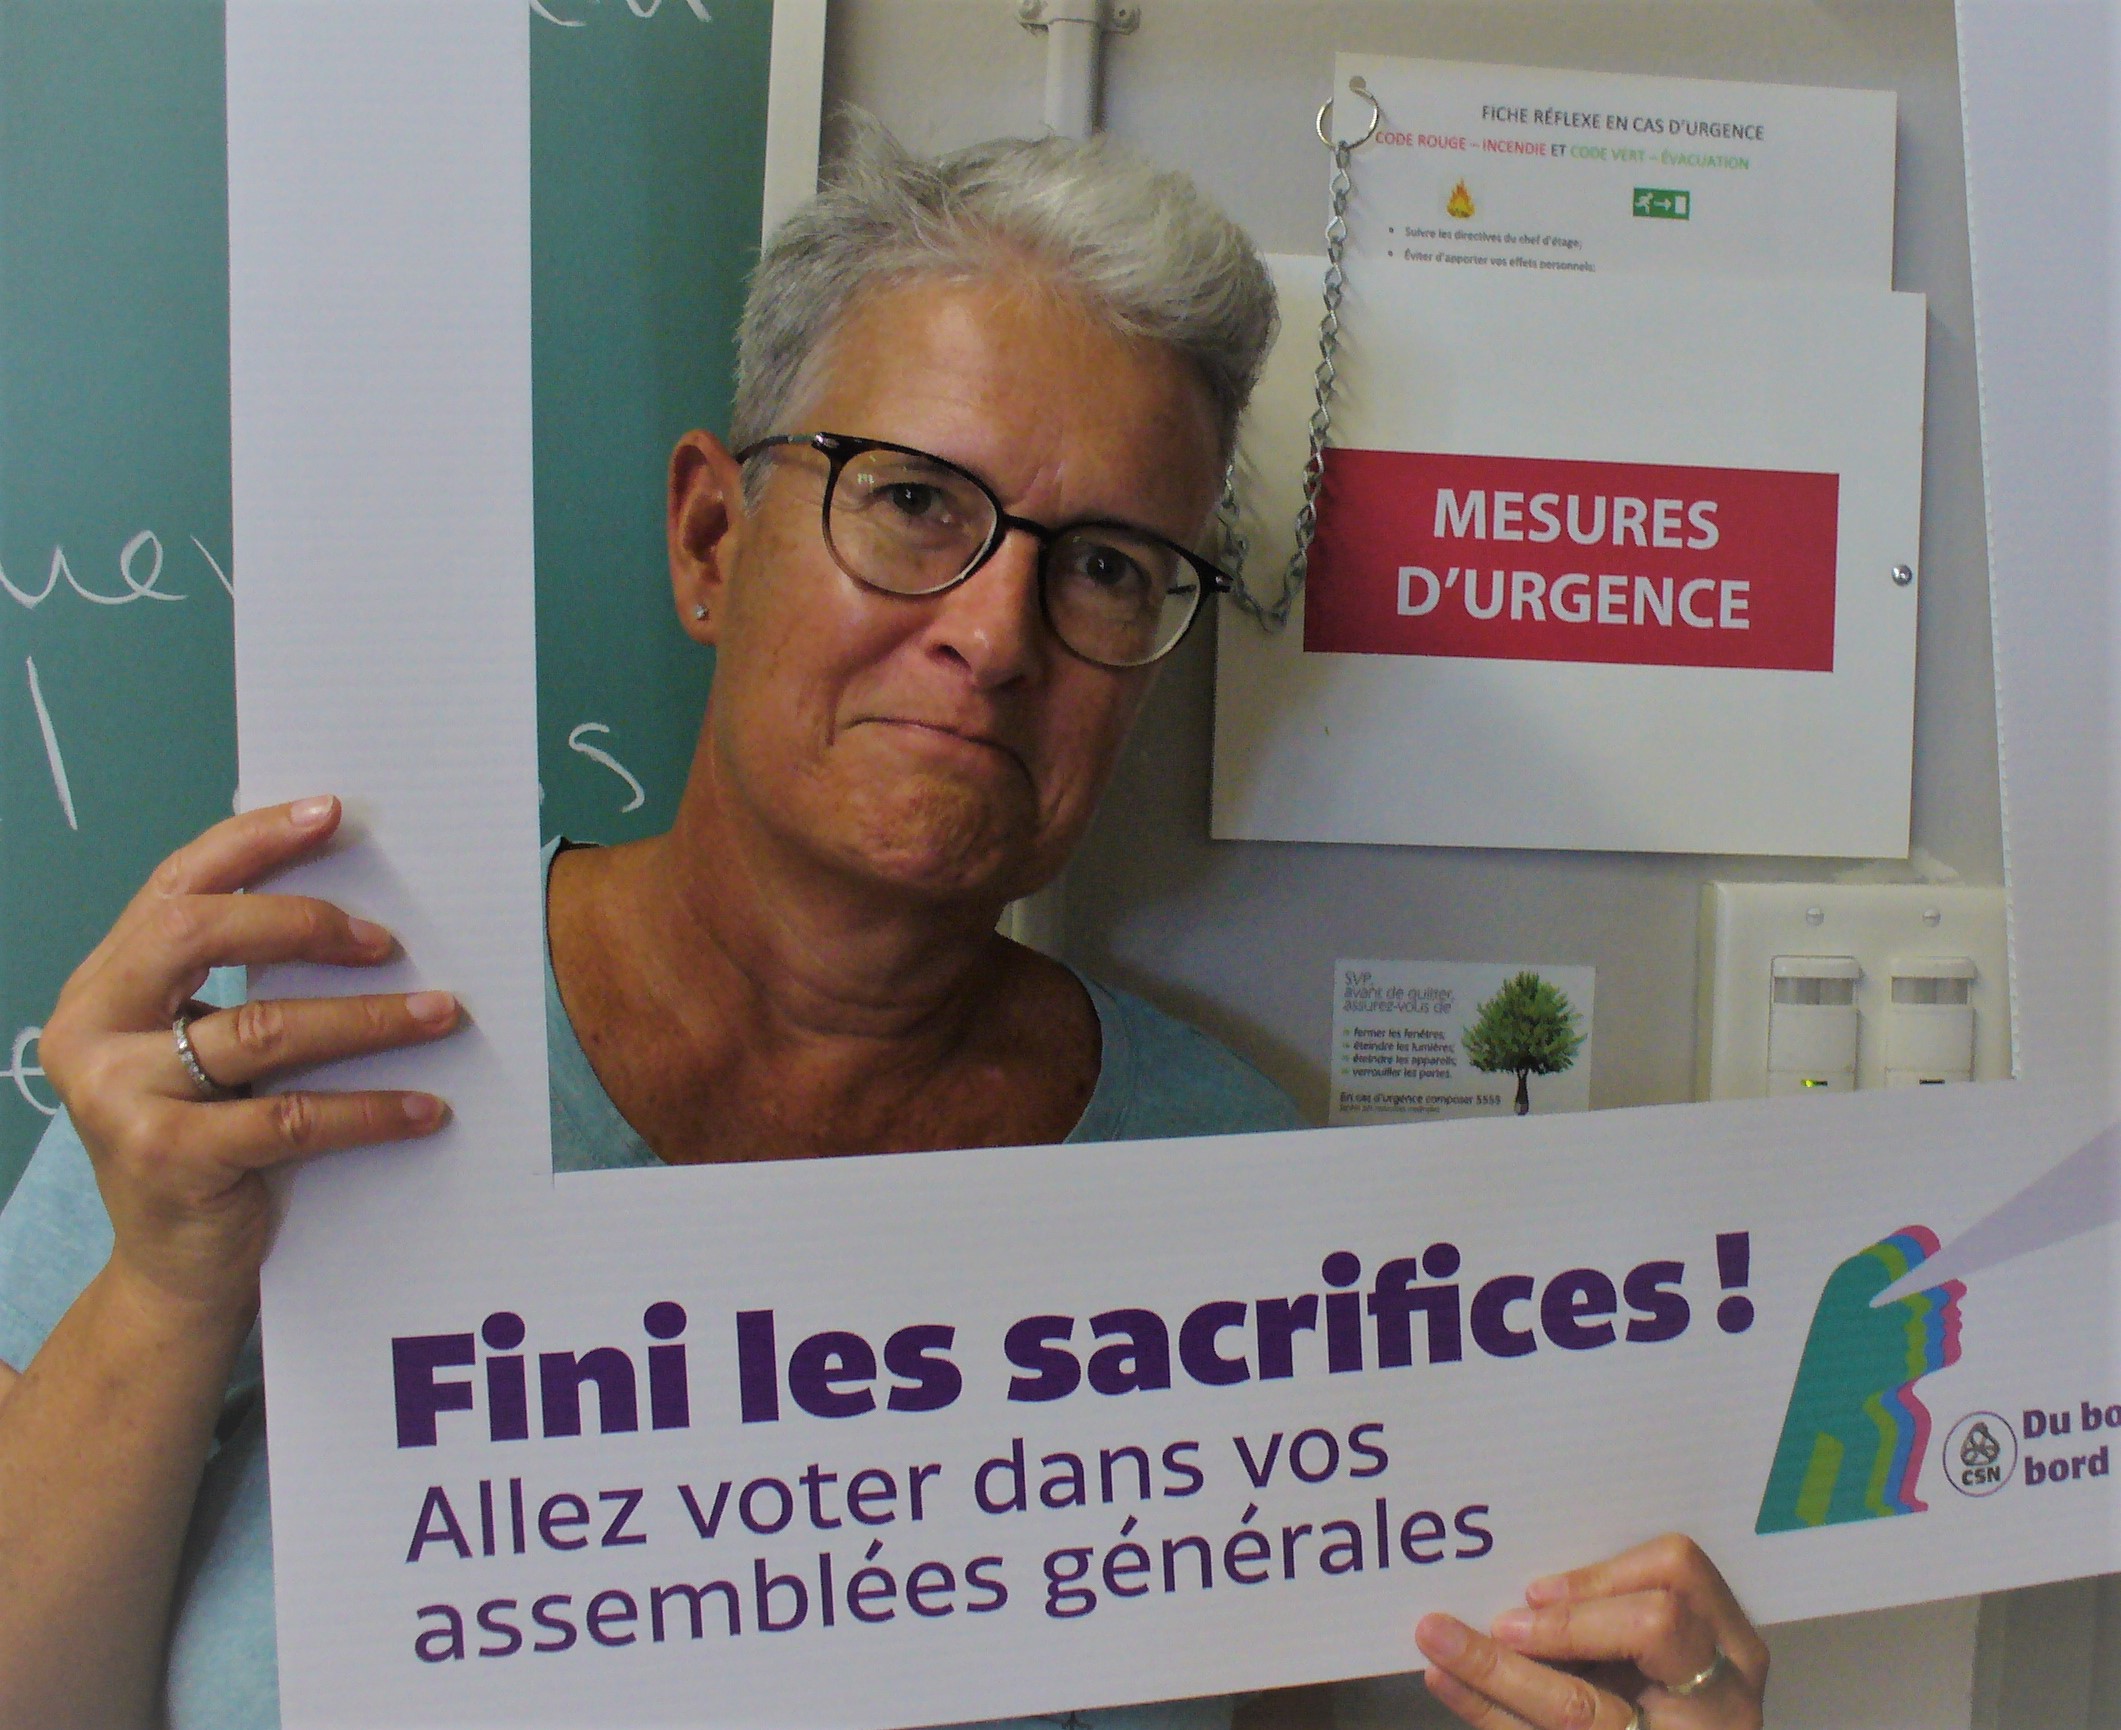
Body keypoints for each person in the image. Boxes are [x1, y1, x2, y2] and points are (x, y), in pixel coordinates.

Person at [0, 128, 1767, 1730]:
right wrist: (163, 1286)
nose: (993, 637)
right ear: (713, 536)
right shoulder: (294, 1042)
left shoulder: (1227, 1189)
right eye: (916, 500)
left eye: (1104, 565)